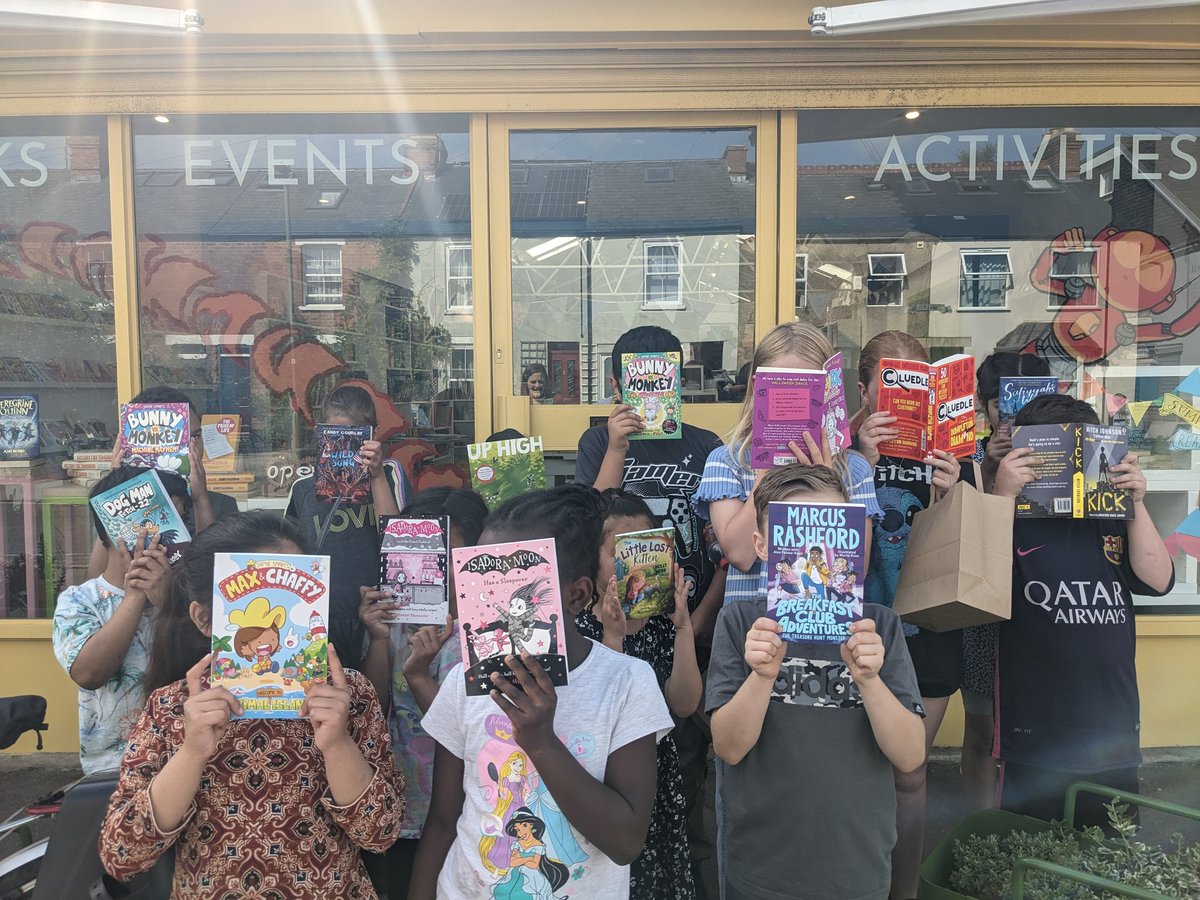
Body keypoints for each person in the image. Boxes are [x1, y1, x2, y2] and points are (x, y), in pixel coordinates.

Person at [97, 512, 403, 898]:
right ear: (205, 619)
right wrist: (191, 754)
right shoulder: (173, 707)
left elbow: (381, 834)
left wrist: (338, 744)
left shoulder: (349, 696)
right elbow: (123, 855)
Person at [409, 484, 674, 900]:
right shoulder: (465, 682)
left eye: (511, 587)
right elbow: (444, 819)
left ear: (577, 595)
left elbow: (625, 841)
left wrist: (542, 742)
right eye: (480, 581)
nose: (491, 604)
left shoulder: (626, 683)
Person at [707, 464, 924, 900]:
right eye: (796, 532)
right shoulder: (740, 623)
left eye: (832, 530)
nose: (816, 547)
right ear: (762, 545)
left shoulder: (878, 627)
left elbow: (910, 755)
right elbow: (728, 747)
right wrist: (762, 676)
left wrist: (869, 680)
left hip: (856, 867)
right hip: (761, 868)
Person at [575, 325, 726, 891]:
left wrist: (698, 614)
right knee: (626, 757)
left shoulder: (706, 444)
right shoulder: (599, 441)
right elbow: (589, 519)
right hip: (618, 624)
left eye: (663, 376)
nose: (651, 389)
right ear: (617, 382)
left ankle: (688, 876)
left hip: (684, 621)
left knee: (685, 762)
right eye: (638, 377)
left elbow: (719, 543)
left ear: (679, 379)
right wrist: (616, 446)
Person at [992, 394, 1173, 828]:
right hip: (1036, 729)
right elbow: (981, 584)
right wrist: (1001, 495)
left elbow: (1158, 580)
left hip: (1111, 727)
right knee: (1031, 847)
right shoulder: (1012, 516)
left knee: (1109, 851)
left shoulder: (1110, 517)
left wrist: (1137, 503)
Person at [852, 329, 977, 900]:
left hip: (928, 624)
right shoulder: (839, 445)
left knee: (909, 773)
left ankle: (903, 891)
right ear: (864, 387)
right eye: (891, 384)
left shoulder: (953, 450)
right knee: (852, 769)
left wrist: (954, 491)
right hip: (855, 622)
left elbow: (976, 541)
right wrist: (857, 460)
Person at [358, 486, 489, 900]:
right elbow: (372, 708)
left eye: (450, 559)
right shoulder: (395, 618)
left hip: (470, 810)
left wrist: (419, 677)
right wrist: (378, 639)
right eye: (423, 559)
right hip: (401, 807)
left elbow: (470, 734)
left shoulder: (488, 626)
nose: (436, 571)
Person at [693, 322, 881, 609]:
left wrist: (826, 484)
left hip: (822, 623)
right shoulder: (727, 462)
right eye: (783, 390)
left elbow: (856, 569)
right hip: (749, 630)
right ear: (759, 388)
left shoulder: (853, 470)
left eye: (809, 392)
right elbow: (742, 556)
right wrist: (765, 475)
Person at [580, 489, 703, 899]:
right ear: (591, 558)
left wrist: (684, 628)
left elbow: (684, 704)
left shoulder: (660, 627)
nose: (633, 565)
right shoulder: (577, 629)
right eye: (617, 551)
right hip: (601, 776)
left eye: (645, 549)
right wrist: (612, 638)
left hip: (656, 778)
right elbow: (599, 715)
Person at [962, 350, 1053, 811]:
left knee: (1035, 728)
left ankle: (1027, 829)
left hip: (1044, 605)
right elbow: (966, 535)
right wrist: (986, 467)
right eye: (999, 403)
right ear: (985, 405)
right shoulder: (972, 454)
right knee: (981, 729)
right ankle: (976, 833)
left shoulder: (1060, 454)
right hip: (985, 611)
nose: (1010, 414)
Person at [52, 466, 183, 774]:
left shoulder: (186, 595)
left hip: (183, 760)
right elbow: (88, 673)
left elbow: (206, 663)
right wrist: (135, 596)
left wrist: (168, 602)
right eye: (170, 520)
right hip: (113, 767)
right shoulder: (79, 602)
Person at [285, 382, 411, 670]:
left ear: (373, 435)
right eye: (334, 437)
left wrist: (376, 476)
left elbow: (399, 540)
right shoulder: (304, 488)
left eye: (354, 438)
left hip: (380, 610)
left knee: (376, 697)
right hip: (322, 614)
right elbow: (291, 555)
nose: (343, 446)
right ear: (320, 434)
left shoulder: (391, 476)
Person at [85, 385, 238, 580]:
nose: (192, 448)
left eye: (196, 436)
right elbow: (96, 578)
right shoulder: (117, 504)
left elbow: (216, 581)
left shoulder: (220, 505)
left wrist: (201, 501)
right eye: (181, 441)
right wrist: (118, 489)